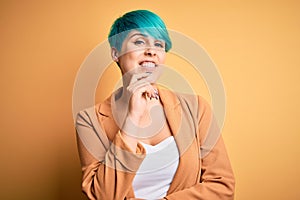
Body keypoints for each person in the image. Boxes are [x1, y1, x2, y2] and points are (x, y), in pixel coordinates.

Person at [75, 10, 235, 200]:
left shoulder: (196, 108)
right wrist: (132, 119)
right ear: (115, 53)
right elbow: (101, 196)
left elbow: (222, 186)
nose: (151, 50)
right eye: (139, 42)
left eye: (159, 44)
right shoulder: (90, 121)